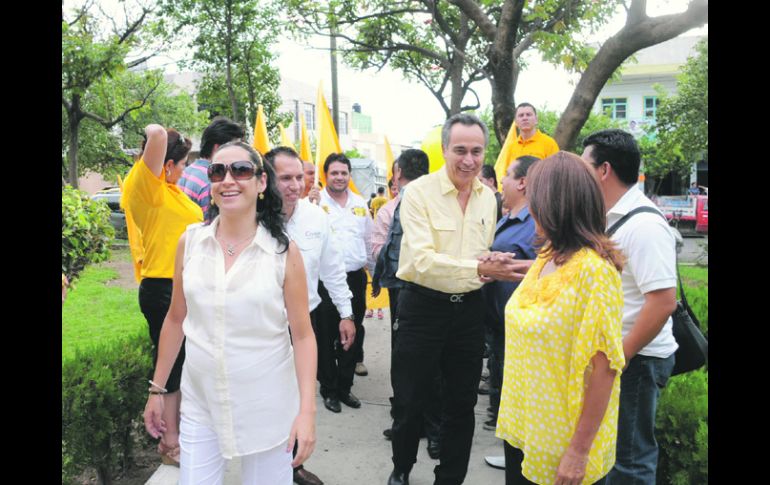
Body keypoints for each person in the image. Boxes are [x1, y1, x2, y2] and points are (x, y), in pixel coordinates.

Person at [142, 141, 318, 484]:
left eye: (241, 170)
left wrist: (307, 411)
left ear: (261, 183)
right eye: (217, 171)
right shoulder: (190, 243)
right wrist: (157, 390)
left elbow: (303, 334)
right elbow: (176, 319)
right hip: (201, 402)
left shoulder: (283, 252)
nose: (228, 179)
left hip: (267, 404)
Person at [388, 113, 518, 485]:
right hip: (422, 307)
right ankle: (401, 469)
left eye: (477, 151)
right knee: (410, 400)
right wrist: (482, 270)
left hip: (468, 313)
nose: (469, 160)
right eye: (460, 150)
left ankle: (451, 477)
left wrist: (492, 263)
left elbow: (482, 253)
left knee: (462, 405)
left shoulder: (488, 199)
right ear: (445, 149)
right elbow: (423, 261)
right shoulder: (418, 194)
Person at [495, 151, 626, 485]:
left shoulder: (595, 273)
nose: (529, 204)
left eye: (534, 196)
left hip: (562, 444)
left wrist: (578, 452)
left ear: (554, 203)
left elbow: (605, 370)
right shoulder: (546, 256)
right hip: (526, 429)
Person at [582, 129, 678, 485]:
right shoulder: (608, 216)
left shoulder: (644, 225)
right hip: (621, 358)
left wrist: (619, 357)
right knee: (611, 456)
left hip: (637, 360)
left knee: (630, 461)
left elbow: (663, 301)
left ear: (604, 170)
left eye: (585, 166)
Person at [264, 147, 355, 485]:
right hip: (264, 326)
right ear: (265, 179)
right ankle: (271, 466)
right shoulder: (252, 221)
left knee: (298, 400)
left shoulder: (317, 218)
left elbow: (333, 271)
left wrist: (347, 314)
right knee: (268, 401)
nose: (294, 184)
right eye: (284, 177)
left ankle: (291, 465)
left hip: (305, 323)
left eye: (299, 177)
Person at [121, 124, 203, 466]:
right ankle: (170, 445)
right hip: (162, 287)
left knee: (184, 365)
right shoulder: (146, 188)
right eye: (183, 164)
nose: (185, 171)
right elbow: (155, 138)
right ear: (166, 165)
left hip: (184, 286)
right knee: (171, 366)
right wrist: (160, 130)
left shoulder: (173, 192)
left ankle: (179, 434)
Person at [371, 150, 440, 460]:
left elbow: (377, 252)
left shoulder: (391, 209)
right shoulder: (442, 203)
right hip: (433, 292)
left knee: (406, 363)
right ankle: (427, 428)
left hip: (406, 294)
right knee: (433, 363)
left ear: (397, 172)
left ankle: (411, 425)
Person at [479, 155, 540, 473]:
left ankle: (522, 460)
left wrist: (506, 267)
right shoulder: (506, 216)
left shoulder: (537, 221)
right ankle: (513, 454)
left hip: (519, 327)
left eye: (507, 175)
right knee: (504, 391)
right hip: (498, 324)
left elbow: (548, 269)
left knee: (516, 395)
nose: (501, 181)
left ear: (523, 182)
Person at [318, 153, 374, 402]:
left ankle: (344, 387)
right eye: (334, 173)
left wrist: (374, 274)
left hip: (355, 279)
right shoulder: (314, 204)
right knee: (326, 335)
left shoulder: (360, 204)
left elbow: (369, 241)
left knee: (352, 333)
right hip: (325, 282)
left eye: (344, 173)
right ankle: (329, 389)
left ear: (349, 175)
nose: (340, 177)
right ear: (326, 175)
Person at [177, 116, 245, 217]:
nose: (239, 152)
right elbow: (211, 227)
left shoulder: (186, 171)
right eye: (235, 147)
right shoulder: (212, 181)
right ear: (218, 148)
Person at [496, 103, 559, 185]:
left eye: (528, 115)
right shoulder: (511, 147)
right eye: (521, 115)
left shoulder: (549, 143)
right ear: (516, 122)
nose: (525, 118)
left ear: (536, 119)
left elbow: (557, 173)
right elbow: (505, 175)